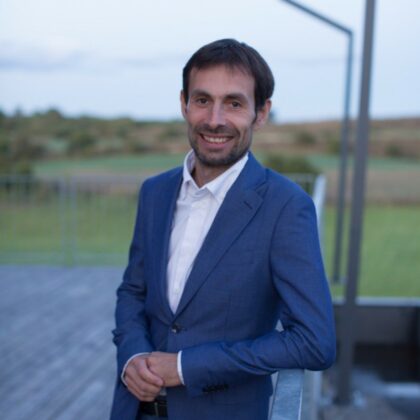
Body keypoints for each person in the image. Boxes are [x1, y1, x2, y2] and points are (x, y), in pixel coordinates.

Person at [110, 38, 336, 420]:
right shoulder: (155, 192)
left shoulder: (286, 207)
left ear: (261, 113)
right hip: (134, 409)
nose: (215, 119)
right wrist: (132, 355)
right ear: (184, 103)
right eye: (202, 100)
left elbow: (314, 342)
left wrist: (186, 367)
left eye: (234, 103)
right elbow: (134, 291)